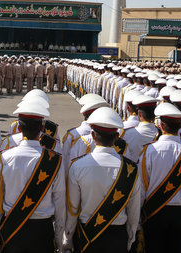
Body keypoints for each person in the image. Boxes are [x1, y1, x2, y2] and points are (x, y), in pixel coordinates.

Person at [65, 107, 141, 253]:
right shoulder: (130, 168)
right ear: (117, 137)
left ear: (92, 135)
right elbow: (133, 209)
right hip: (117, 235)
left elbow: (72, 209)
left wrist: (68, 238)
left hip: (88, 233)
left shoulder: (77, 166)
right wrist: (131, 237)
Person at [0, 101, 65, 252]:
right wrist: (59, 237)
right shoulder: (55, 160)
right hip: (42, 229)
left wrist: (1, 227)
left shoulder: (5, 157)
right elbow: (59, 202)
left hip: (12, 225)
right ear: (42, 129)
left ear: (19, 128)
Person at [138, 103, 181, 253]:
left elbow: (140, 188)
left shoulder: (149, 151)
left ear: (160, 125)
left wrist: (140, 215)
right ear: (180, 126)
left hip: (154, 211)